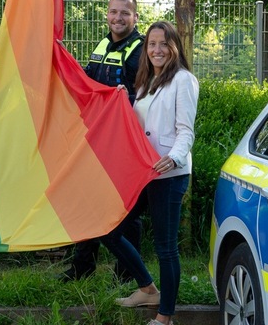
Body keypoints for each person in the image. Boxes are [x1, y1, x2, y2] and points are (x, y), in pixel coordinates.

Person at [101, 21, 199, 325]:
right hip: (141, 172)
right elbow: (136, 125)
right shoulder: (145, 81)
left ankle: (164, 317)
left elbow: (186, 131)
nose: (157, 49)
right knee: (109, 230)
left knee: (165, 248)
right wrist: (120, 100)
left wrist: (174, 158)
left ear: (175, 47)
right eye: (152, 44)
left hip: (168, 175)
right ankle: (147, 288)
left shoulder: (183, 80)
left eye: (163, 43)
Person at [58, 0, 145, 283]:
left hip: (126, 143)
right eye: (113, 12)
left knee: (127, 209)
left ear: (135, 17)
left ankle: (127, 274)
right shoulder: (104, 43)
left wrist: (126, 98)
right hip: (97, 139)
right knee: (88, 201)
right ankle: (83, 267)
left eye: (125, 13)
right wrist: (62, 60)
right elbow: (88, 81)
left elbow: (148, 95)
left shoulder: (141, 49)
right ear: (106, 14)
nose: (118, 18)